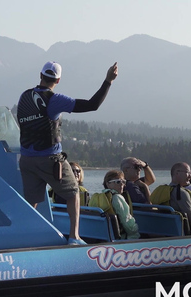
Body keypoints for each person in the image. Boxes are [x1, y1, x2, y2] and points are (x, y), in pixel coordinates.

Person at [17, 61, 118, 245]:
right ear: (58, 79)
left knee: (32, 201)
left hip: (26, 160)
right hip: (50, 159)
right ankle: (74, 237)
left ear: (40, 76)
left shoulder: (24, 96)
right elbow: (92, 105)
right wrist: (108, 81)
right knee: (73, 192)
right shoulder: (54, 100)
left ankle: (24, 238)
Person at [150, 162, 191, 235]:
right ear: (177, 173)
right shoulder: (182, 193)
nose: (190, 176)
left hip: (160, 232)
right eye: (188, 172)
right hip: (180, 235)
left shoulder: (159, 191)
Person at [89, 170, 140, 239]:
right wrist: (136, 234)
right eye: (118, 181)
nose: (122, 184)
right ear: (108, 184)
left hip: (103, 237)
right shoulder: (117, 198)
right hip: (120, 238)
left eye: (123, 181)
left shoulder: (99, 198)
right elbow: (127, 222)